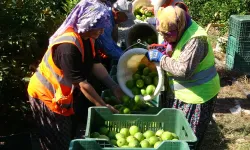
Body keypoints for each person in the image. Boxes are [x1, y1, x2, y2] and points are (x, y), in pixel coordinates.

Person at [27, 0, 124, 149]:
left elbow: (95, 65)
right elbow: (82, 84)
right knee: (56, 140)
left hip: (64, 95)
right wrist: (103, 106)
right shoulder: (68, 47)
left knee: (67, 134)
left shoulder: (87, 39)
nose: (101, 32)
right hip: (46, 95)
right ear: (87, 23)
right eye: (98, 28)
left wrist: (114, 86)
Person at [146, 6, 220, 148]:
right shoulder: (181, 29)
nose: (165, 37)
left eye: (167, 34)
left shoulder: (195, 40)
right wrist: (163, 47)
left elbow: (183, 70)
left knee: (186, 139)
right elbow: (176, 47)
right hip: (181, 93)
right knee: (173, 134)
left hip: (197, 96)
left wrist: (161, 59)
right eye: (162, 34)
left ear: (178, 28)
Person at [95, 3, 128, 68]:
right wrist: (126, 59)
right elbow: (109, 49)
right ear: (117, 13)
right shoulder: (106, 21)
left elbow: (110, 41)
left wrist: (123, 53)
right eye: (125, 17)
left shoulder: (110, 15)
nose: (126, 20)